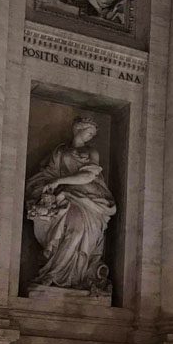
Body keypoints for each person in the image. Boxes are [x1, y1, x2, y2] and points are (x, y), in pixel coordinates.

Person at [25, 117, 117, 294]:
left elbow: (88, 176)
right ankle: (54, 273)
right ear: (78, 129)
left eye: (93, 134)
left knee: (79, 229)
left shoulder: (92, 152)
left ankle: (75, 277)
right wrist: (46, 186)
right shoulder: (60, 151)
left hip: (89, 199)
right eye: (89, 132)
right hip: (65, 197)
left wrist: (59, 181)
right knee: (70, 228)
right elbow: (48, 173)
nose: (91, 137)